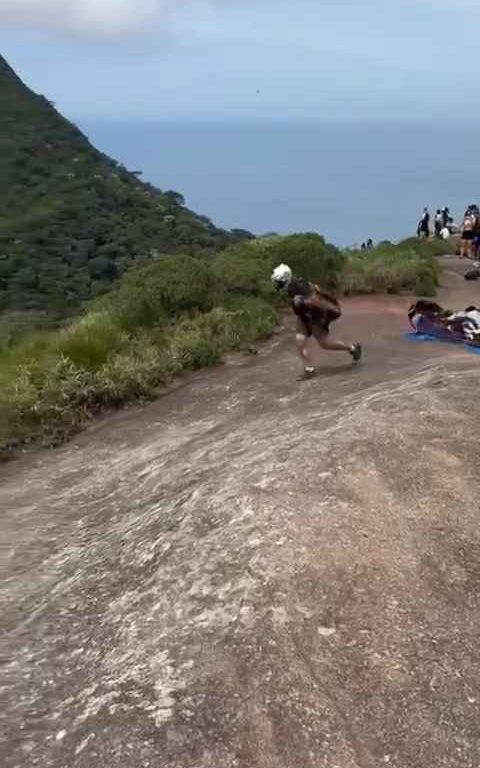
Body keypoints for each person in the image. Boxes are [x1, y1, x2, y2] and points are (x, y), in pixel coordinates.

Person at [271, 264, 362, 380]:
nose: (277, 285)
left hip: (315, 317)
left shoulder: (298, 286)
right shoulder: (296, 284)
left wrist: (314, 317)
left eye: (278, 282)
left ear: (284, 279)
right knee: (300, 341)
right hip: (304, 316)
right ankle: (309, 370)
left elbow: (314, 301)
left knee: (325, 344)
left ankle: (352, 348)